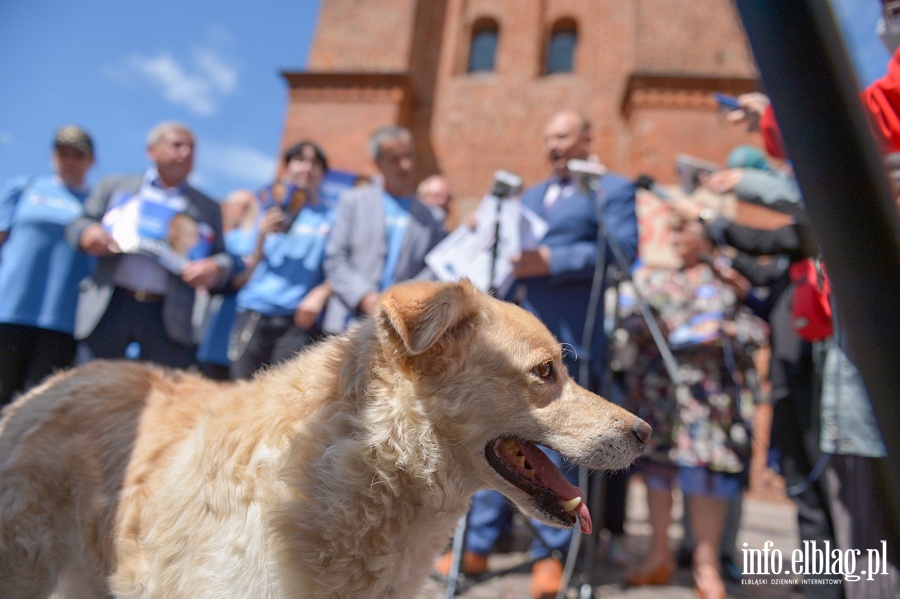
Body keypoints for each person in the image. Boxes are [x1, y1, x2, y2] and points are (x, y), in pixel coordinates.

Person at [435, 110, 639, 599]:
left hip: (571, 333)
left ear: (589, 138)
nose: (552, 147)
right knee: (498, 431)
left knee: (558, 437)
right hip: (513, 338)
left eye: (563, 137)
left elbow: (623, 252)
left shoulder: (612, 188)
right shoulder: (527, 196)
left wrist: (553, 260)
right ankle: (478, 541)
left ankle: (551, 551)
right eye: (547, 139)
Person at [619, 212, 768, 599]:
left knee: (705, 476)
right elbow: (629, 324)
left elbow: (757, 328)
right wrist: (650, 326)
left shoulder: (725, 281)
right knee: (658, 472)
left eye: (685, 231)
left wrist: (726, 331)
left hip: (707, 396)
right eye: (674, 231)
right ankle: (658, 556)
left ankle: (706, 565)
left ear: (706, 238)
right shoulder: (655, 280)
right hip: (661, 392)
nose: (676, 238)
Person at [65, 121, 233, 369]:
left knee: (159, 400)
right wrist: (88, 233)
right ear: (151, 150)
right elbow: (79, 224)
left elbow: (223, 257)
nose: (185, 153)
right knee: (91, 392)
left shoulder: (207, 207)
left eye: (191, 148)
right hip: (110, 304)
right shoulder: (115, 186)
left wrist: (215, 269)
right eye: (176, 145)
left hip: (168, 317)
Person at [0, 126, 96, 407]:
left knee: (38, 403)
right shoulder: (25, 189)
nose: (69, 160)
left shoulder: (95, 204)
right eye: (62, 152)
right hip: (10, 309)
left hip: (63, 318)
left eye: (77, 154)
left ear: (90, 161)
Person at [228, 141, 335, 380]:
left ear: (323, 174)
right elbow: (242, 274)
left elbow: (340, 267)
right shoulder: (263, 209)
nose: (307, 168)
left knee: (283, 399)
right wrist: (261, 236)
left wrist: (321, 292)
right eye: (299, 160)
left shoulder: (331, 217)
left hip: (297, 320)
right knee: (241, 392)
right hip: (254, 312)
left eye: (315, 163)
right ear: (286, 168)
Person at [322, 126, 445, 334]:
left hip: (400, 327)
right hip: (346, 321)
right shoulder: (352, 202)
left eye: (408, 156)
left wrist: (399, 301)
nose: (405, 165)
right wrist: (364, 297)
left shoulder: (432, 217)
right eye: (394, 159)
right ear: (376, 163)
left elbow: (433, 267)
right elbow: (335, 258)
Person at [195, 189, 258, 380]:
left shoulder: (250, 239)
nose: (240, 210)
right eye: (235, 204)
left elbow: (241, 275)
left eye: (246, 206)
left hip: (233, 314)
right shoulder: (214, 235)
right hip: (204, 311)